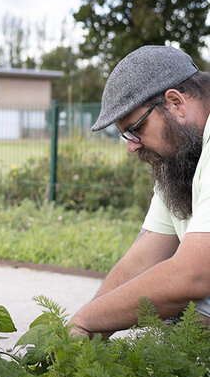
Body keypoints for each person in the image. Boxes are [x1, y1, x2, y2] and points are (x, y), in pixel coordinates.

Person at [69, 44, 210, 338]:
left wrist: (87, 320)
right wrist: (88, 328)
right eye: (125, 136)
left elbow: (193, 275)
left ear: (175, 103)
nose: (132, 146)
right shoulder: (180, 158)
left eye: (137, 128)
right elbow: (144, 257)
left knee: (185, 307)